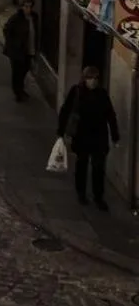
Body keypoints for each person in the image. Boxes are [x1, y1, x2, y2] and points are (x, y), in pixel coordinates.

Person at [58, 66, 120, 209]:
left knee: (98, 167)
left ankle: (98, 196)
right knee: (82, 164)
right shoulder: (77, 91)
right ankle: (81, 193)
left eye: (96, 78)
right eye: (91, 78)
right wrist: (60, 131)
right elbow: (66, 110)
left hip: (99, 136)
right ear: (85, 79)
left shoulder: (102, 94)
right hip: (82, 135)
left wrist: (115, 136)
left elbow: (110, 115)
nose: (93, 81)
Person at [2, 0, 38, 102]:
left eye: (30, 7)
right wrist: (14, 44)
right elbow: (7, 30)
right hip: (17, 51)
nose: (28, 9)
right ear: (22, 7)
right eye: (26, 6)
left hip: (29, 49)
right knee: (17, 72)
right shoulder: (16, 18)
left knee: (25, 69)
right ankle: (18, 92)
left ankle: (20, 89)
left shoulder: (34, 17)